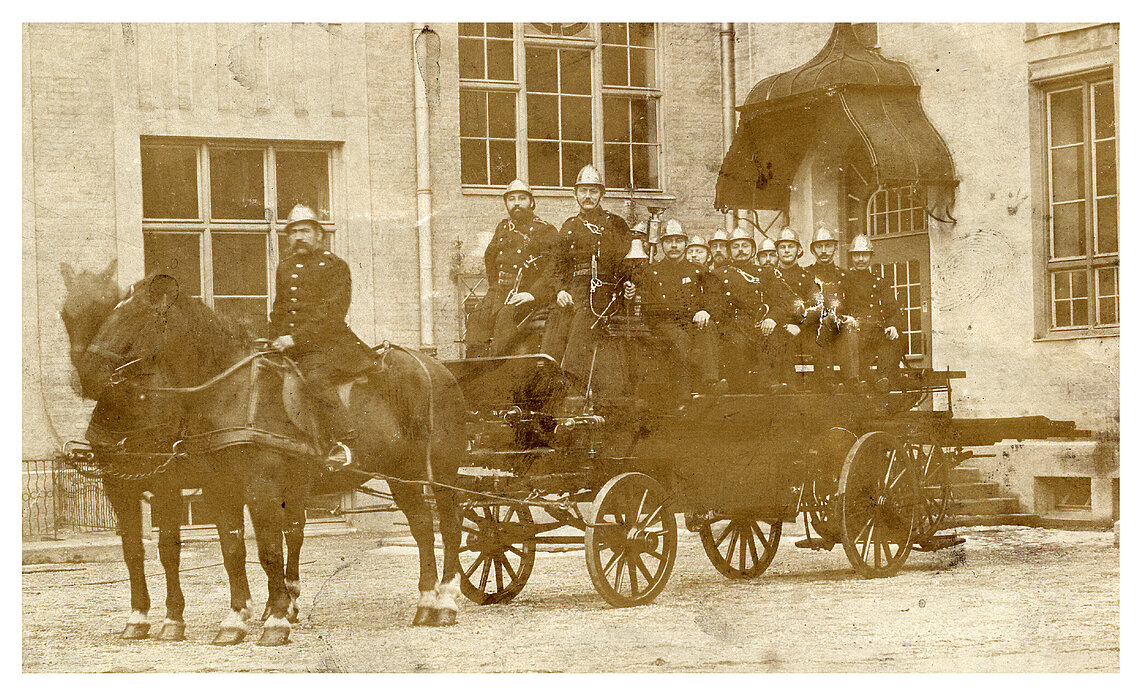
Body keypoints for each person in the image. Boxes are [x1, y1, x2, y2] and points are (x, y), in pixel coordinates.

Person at [268, 204, 376, 467]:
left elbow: (331, 315)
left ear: (319, 235)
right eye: (293, 233)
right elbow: (280, 309)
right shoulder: (285, 267)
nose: (299, 237)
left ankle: (346, 442)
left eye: (305, 230)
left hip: (329, 345)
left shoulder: (334, 266)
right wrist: (272, 337)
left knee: (315, 379)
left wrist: (294, 339)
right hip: (291, 346)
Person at [541, 164, 635, 401]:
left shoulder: (616, 224)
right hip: (574, 289)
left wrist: (628, 283)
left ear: (601, 194)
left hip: (604, 291)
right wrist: (560, 290)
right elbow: (556, 266)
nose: (588, 196)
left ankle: (574, 384)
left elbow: (629, 262)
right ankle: (546, 383)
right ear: (576, 194)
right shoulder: (570, 226)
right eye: (583, 191)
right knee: (556, 324)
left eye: (593, 191)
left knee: (582, 322)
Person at [464, 179, 558, 357]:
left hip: (527, 295)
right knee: (476, 319)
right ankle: (475, 372)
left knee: (505, 319)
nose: (516, 203)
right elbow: (490, 257)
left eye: (522, 198)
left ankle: (499, 371)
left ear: (531, 202)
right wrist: (495, 286)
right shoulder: (503, 227)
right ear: (506, 203)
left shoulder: (545, 230)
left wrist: (533, 294)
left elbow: (553, 268)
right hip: (499, 292)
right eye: (511, 199)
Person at [637, 220, 719, 393]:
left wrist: (705, 311)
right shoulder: (652, 272)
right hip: (665, 324)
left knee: (708, 327)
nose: (674, 246)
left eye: (678, 241)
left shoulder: (699, 271)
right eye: (668, 241)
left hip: (692, 321)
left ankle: (710, 382)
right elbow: (648, 307)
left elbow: (713, 295)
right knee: (681, 340)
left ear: (685, 243)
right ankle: (685, 394)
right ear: (661, 244)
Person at [714, 227, 799, 392]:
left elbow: (781, 303)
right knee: (737, 344)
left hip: (760, 323)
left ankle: (770, 384)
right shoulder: (718, 275)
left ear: (753, 249)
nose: (740, 250)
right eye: (736, 246)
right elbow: (715, 305)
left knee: (774, 337)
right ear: (729, 251)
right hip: (732, 326)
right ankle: (740, 391)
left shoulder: (766, 274)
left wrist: (772, 318)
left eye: (745, 246)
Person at [840, 234, 905, 389]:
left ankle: (883, 379)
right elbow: (837, 307)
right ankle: (860, 381)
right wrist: (846, 319)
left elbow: (893, 309)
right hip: (854, 331)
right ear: (851, 257)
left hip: (876, 330)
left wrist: (893, 326)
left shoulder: (880, 282)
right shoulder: (843, 281)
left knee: (894, 341)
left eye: (864, 255)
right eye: (856, 255)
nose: (861, 259)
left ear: (871, 256)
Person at [804, 224, 850, 388]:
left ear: (835, 248)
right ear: (813, 250)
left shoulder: (845, 276)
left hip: (839, 331)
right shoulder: (805, 275)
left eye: (828, 245)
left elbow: (852, 304)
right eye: (819, 246)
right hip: (813, 330)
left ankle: (853, 382)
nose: (823, 250)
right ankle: (827, 381)